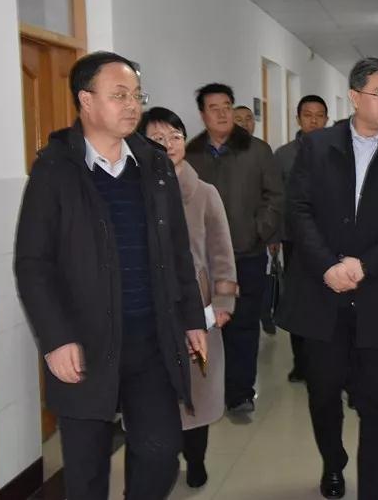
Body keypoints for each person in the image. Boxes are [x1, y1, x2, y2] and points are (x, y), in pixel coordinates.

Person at [14, 51, 207, 499]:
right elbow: (33, 263)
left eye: (136, 95)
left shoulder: (154, 164)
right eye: (119, 95)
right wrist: (56, 338)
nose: (132, 105)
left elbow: (178, 250)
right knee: (86, 471)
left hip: (151, 339)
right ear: (86, 100)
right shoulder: (55, 168)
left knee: (160, 453)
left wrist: (191, 318)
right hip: (84, 342)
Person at [281, 57, 378, 499]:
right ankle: (333, 462)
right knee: (323, 395)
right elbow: (299, 211)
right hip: (321, 293)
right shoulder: (316, 146)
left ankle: (376, 488)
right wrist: (328, 265)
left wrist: (364, 265)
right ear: (354, 96)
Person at [139, 107, 238, 489]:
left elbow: (222, 255)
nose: (168, 144)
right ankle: (163, 460)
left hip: (199, 312)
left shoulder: (205, 194)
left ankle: (195, 459)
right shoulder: (135, 192)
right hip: (149, 312)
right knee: (156, 394)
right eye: (158, 138)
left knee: (198, 393)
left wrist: (223, 305)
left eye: (175, 136)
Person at [186, 83, 283, 413]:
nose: (222, 113)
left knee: (243, 326)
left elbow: (275, 196)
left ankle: (240, 393)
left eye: (227, 106)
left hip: (245, 254)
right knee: (207, 326)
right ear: (203, 115)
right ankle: (210, 391)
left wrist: (259, 231)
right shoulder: (191, 153)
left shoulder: (257, 150)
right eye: (214, 108)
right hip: (204, 262)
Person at [275, 94, 329, 383]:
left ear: (326, 119)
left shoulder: (340, 152)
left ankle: (328, 360)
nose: (314, 120)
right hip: (294, 240)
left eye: (319, 115)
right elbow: (275, 198)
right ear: (298, 119)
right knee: (298, 300)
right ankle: (301, 363)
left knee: (330, 299)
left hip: (331, 240)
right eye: (308, 115)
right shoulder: (283, 155)